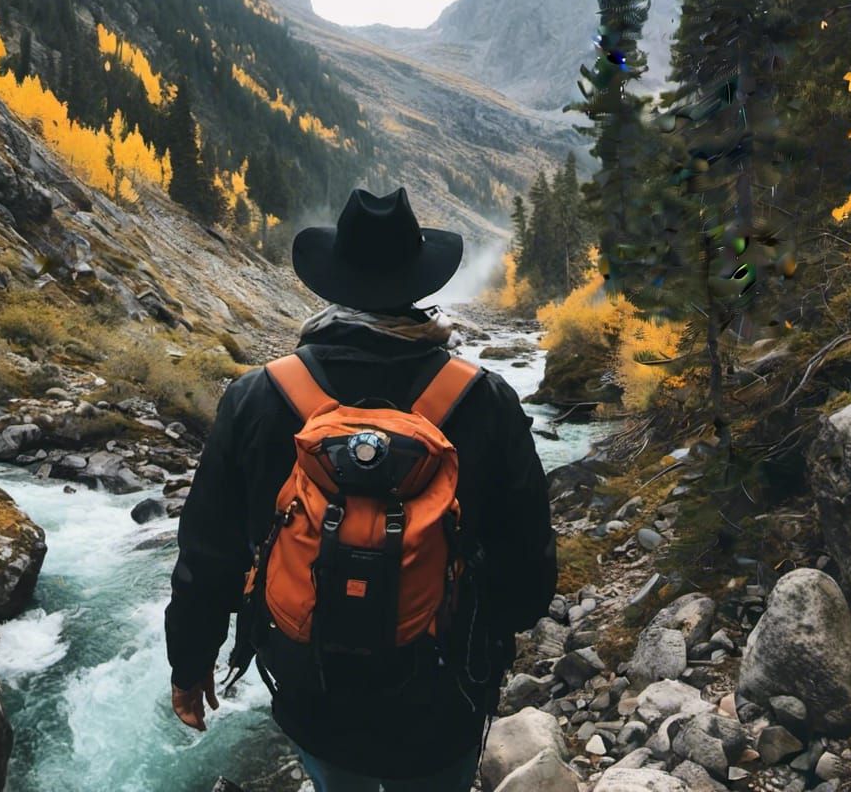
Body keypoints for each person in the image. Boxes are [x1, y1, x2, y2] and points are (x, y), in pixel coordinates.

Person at [165, 187, 557, 792]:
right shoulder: (486, 400)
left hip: (312, 691)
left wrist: (189, 665)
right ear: (420, 283)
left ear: (332, 284)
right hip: (443, 698)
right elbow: (529, 576)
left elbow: (208, 557)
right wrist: (478, 641)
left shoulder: (258, 398)